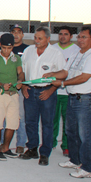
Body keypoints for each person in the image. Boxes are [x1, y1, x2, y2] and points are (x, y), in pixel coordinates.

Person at [52, 26, 91, 178]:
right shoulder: (76, 53)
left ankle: (88, 168)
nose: (80, 40)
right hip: (72, 98)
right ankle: (75, 160)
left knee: (85, 135)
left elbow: (84, 77)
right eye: (79, 37)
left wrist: (62, 84)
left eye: (84, 37)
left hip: (86, 100)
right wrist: (52, 75)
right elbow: (65, 72)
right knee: (71, 132)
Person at [19, 26, 66, 166]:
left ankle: (45, 153)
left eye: (40, 38)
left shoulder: (55, 53)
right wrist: (23, 85)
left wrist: (51, 89)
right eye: (35, 38)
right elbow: (21, 70)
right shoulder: (28, 51)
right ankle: (32, 148)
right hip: (30, 91)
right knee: (30, 122)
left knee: (47, 124)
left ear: (48, 39)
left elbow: (64, 73)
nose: (37, 41)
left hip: (47, 92)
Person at [0, 33, 25, 161]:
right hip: (0, 93)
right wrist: (2, 85)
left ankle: (5, 147)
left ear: (13, 47)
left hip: (14, 94)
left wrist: (20, 81)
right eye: (4, 48)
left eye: (9, 48)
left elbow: (20, 73)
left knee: (12, 123)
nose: (6, 51)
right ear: (0, 45)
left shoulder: (17, 59)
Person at [52, 26, 80, 157]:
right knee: (52, 119)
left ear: (71, 36)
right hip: (54, 91)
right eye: (60, 34)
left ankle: (66, 146)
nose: (63, 36)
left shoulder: (77, 50)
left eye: (66, 34)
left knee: (68, 121)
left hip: (68, 91)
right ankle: (50, 143)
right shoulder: (52, 49)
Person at [10, 24, 30, 154]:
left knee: (22, 117)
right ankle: (2, 142)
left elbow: (29, 68)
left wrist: (24, 84)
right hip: (7, 88)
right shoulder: (4, 49)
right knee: (5, 117)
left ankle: (21, 143)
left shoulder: (28, 49)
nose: (16, 34)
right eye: (13, 32)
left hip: (21, 87)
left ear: (22, 35)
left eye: (19, 32)